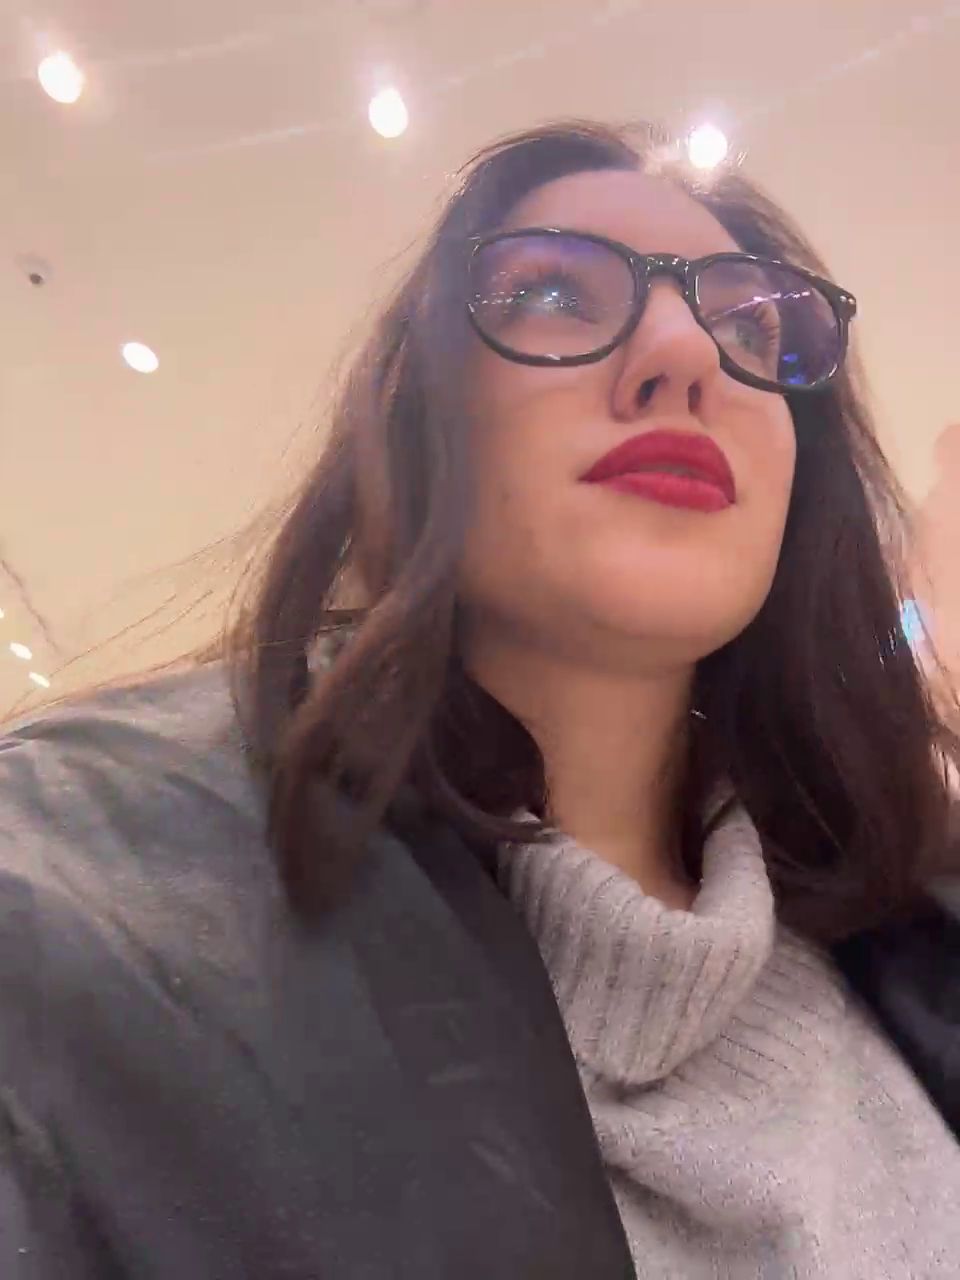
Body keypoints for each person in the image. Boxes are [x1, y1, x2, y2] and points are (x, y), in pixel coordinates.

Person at [0, 120, 958, 1279]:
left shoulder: (918, 928)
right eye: (551, 292)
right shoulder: (70, 912)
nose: (685, 352)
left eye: (751, 323)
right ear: (417, 413)